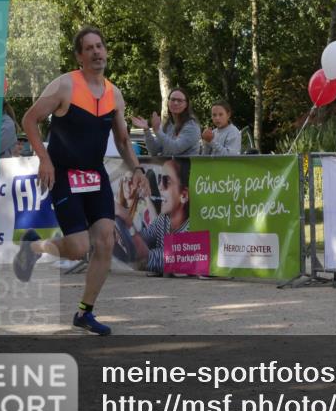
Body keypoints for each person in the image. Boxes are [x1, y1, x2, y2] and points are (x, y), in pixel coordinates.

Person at [14, 26, 149, 335]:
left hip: (94, 174)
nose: (96, 52)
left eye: (100, 46)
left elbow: (124, 140)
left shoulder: (114, 93)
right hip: (63, 173)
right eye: (89, 48)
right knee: (77, 248)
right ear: (79, 55)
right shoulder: (65, 86)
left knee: (104, 241)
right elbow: (29, 119)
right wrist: (44, 159)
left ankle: (84, 313)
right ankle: (33, 249)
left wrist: (138, 170)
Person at [134, 87, 201, 156]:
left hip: (187, 166)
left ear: (186, 105)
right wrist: (146, 130)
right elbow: (154, 150)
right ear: (168, 102)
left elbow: (175, 149)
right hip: (167, 165)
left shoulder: (192, 126)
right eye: (172, 99)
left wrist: (157, 131)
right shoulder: (168, 124)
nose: (175, 103)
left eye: (180, 100)